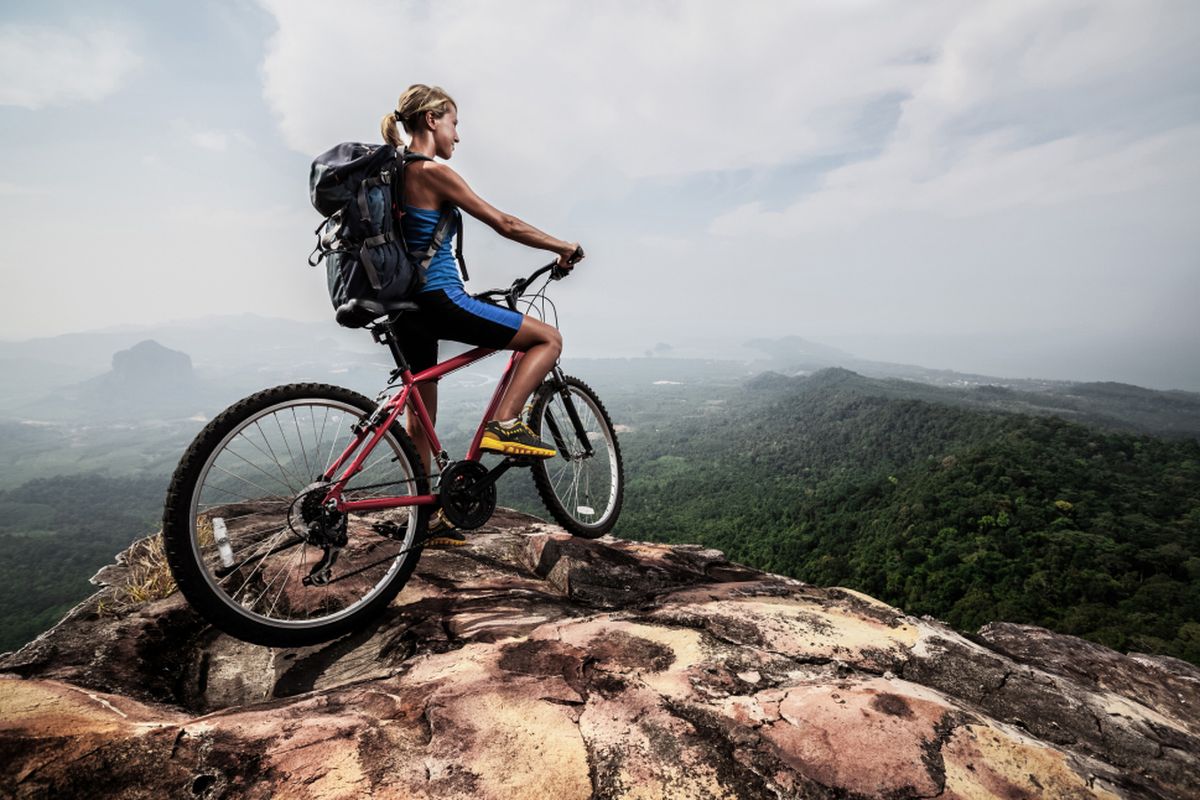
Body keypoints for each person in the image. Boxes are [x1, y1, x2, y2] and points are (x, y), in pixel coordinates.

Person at [380, 84, 582, 545]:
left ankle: (424, 516)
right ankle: (505, 422)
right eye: (454, 123)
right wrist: (563, 246)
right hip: (438, 299)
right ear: (432, 120)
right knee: (547, 339)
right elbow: (504, 223)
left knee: (420, 414)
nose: (458, 135)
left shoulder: (391, 173)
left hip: (403, 310)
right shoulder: (431, 171)